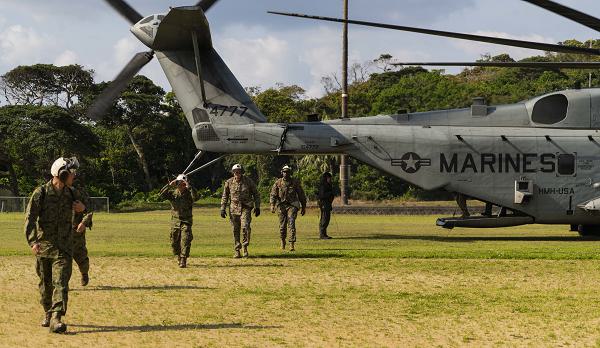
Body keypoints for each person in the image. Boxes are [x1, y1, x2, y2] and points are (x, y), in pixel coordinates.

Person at [24, 157, 86, 334]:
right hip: (44, 247)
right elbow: (29, 219)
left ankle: (57, 318)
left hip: (64, 247)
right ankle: (47, 312)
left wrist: (82, 210)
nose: (73, 176)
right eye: (71, 173)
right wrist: (33, 241)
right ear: (62, 174)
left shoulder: (72, 193)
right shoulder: (41, 193)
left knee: (61, 283)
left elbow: (85, 213)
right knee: (46, 285)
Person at [220, 164, 261, 258]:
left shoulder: (248, 181)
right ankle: (237, 250)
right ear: (233, 172)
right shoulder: (229, 182)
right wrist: (222, 208)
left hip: (245, 207)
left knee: (245, 227)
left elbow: (256, 194)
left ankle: (245, 248)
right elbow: (225, 196)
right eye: (235, 171)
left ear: (242, 172)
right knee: (235, 229)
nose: (237, 173)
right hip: (233, 209)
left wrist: (257, 207)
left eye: (239, 171)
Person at [159, 174, 198, 268]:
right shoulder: (173, 194)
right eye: (179, 184)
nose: (181, 186)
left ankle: (183, 259)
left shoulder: (189, 194)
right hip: (175, 221)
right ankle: (179, 256)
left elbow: (196, 197)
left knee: (185, 240)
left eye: (183, 184)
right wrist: (169, 185)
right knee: (174, 242)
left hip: (186, 221)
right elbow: (161, 195)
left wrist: (190, 187)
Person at [270, 165, 306, 251]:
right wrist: (272, 205)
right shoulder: (278, 182)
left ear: (290, 173)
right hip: (281, 206)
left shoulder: (295, 182)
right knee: (282, 226)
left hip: (292, 205)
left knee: (291, 223)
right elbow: (273, 194)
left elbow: (301, 194)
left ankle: (291, 243)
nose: (286, 173)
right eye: (284, 172)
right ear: (282, 172)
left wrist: (303, 206)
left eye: (287, 172)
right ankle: (283, 241)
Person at [69, 179, 93, 286]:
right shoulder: (56, 191)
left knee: (81, 257)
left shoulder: (79, 191)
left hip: (76, 231)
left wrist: (84, 222)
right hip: (60, 232)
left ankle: (84, 274)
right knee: (62, 260)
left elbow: (89, 210)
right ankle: (62, 283)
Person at [318, 172, 334, 239]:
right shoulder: (323, 185)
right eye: (329, 178)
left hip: (327, 203)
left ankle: (324, 234)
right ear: (326, 178)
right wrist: (330, 193)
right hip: (324, 204)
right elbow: (322, 195)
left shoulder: (328, 185)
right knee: (324, 219)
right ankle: (322, 234)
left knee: (327, 219)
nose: (330, 179)